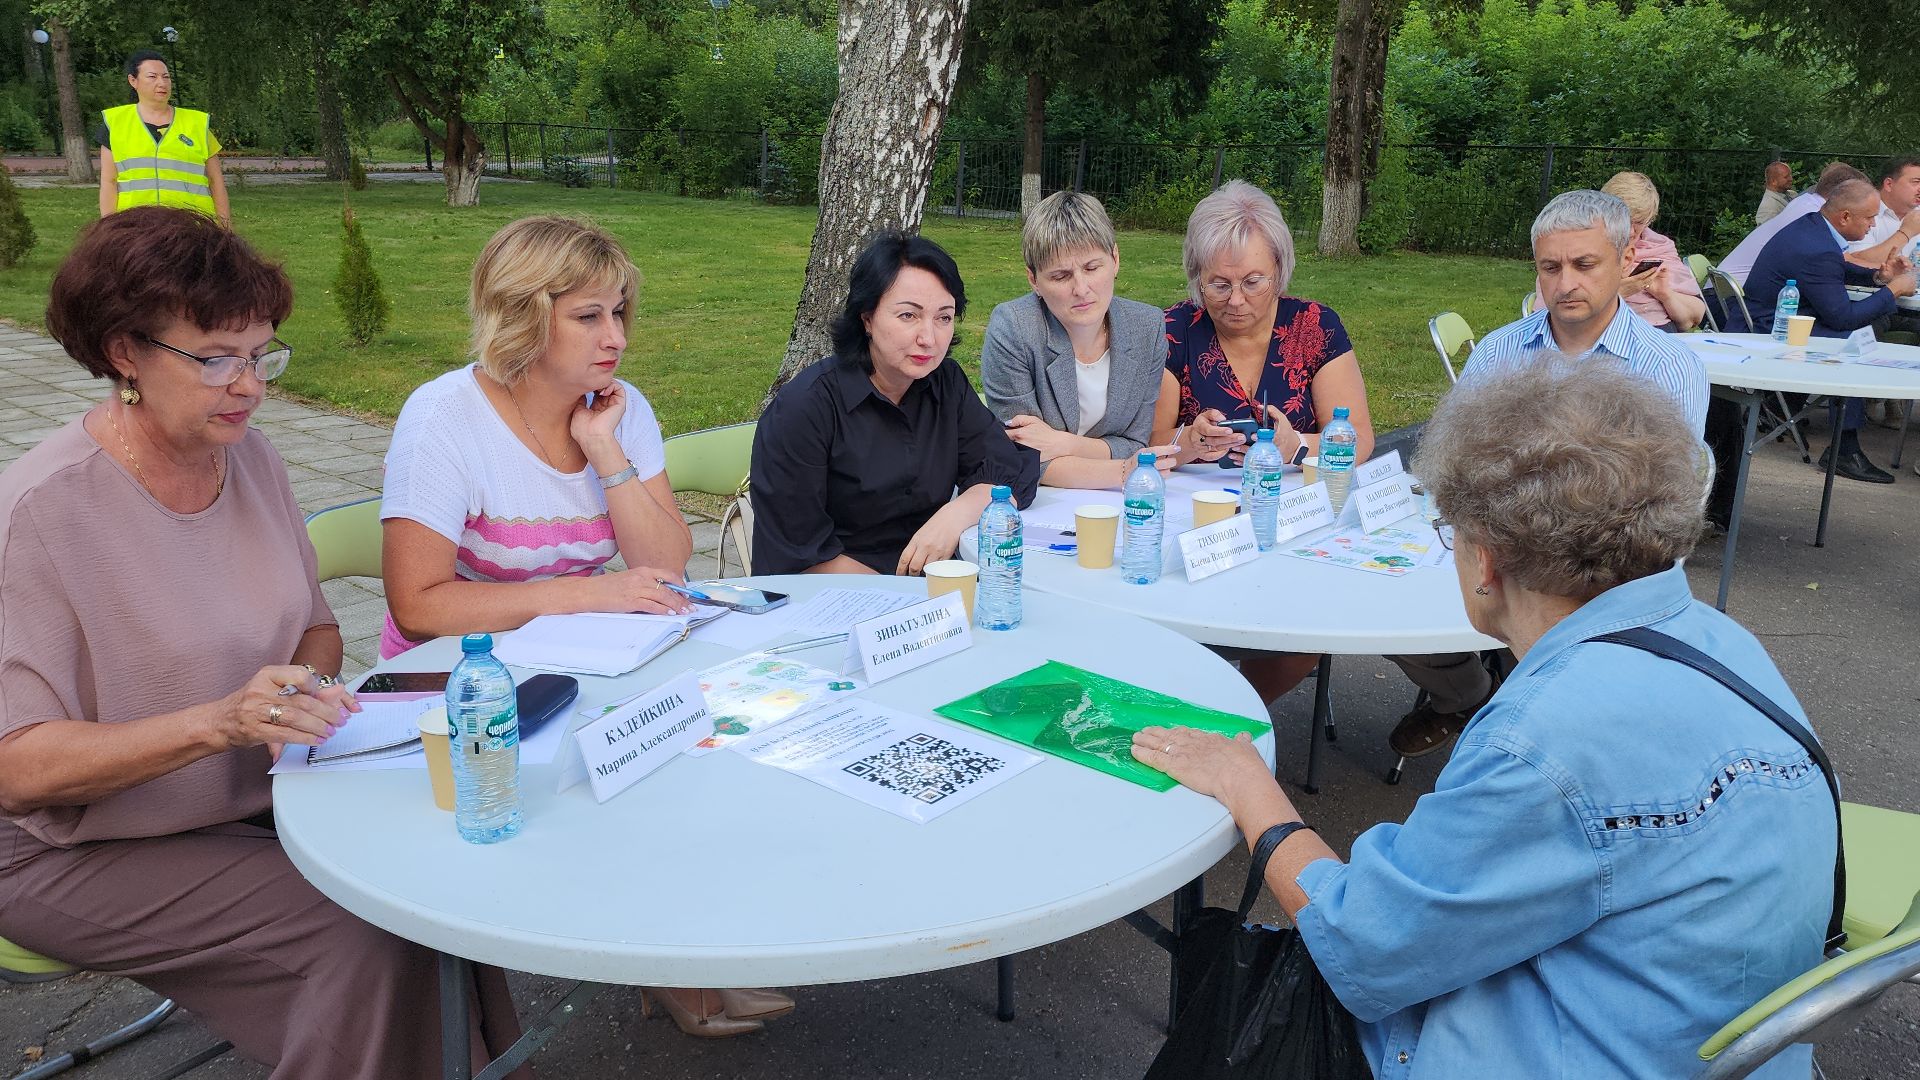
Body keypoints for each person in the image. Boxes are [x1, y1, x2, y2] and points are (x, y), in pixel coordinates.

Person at [1133, 359, 1835, 1080]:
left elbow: (1363, 945)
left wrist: (1248, 784)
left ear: (1487, 561)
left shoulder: (1541, 737)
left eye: (1451, 530)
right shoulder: (1726, 643)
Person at [0, 207, 529, 1078]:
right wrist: (221, 722)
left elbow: (317, 630)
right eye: (215, 358)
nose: (249, 384)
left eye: (261, 354)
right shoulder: (41, 515)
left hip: (255, 797)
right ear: (125, 351)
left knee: (431, 883)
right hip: (75, 849)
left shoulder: (252, 459)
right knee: (359, 932)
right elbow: (20, 770)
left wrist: (302, 693)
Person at [1389, 190, 1711, 757]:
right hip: (1498, 557)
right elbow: (1459, 473)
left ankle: (1512, 719)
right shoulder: (1498, 353)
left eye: (1584, 265)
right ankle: (1468, 694)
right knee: (1384, 596)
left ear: (1625, 260)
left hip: (1606, 571)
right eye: (1550, 267)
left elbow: (1666, 509)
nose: (1565, 284)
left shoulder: (1667, 366)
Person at [381, 216, 697, 657]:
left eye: (618, 312)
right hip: (456, 678)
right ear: (520, 317)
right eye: (589, 316)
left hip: (573, 656)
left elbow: (667, 566)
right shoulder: (444, 415)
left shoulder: (621, 409)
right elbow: (417, 609)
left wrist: (605, 450)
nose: (618, 338)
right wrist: (587, 595)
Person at [1159, 180, 1376, 705]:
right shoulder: (1173, 329)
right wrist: (1187, 442)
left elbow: (1358, 439)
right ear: (1196, 279)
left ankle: (1228, 714)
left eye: (1254, 281)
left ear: (1280, 269)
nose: (1236, 300)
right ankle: (1185, 695)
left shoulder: (1316, 326)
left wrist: (1297, 444)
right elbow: (1150, 442)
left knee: (1308, 627)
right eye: (1218, 284)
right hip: (1199, 521)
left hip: (1295, 517)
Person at [752, 231, 1042, 576]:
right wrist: (908, 602)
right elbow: (797, 555)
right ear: (867, 318)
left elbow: (1006, 472)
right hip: (835, 595)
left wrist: (956, 514)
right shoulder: (805, 408)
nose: (929, 338)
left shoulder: (945, 382)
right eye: (908, 316)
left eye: (944, 317)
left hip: (931, 583)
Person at [981, 190, 1179, 488]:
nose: (1081, 288)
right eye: (1060, 276)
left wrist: (1065, 444)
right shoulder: (1015, 328)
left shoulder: (1147, 327)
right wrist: (1124, 471)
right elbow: (1025, 453)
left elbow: (1136, 440)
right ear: (1033, 280)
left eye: (1091, 267)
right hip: (1039, 504)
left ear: (1115, 259)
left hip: (1120, 502)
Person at [1741, 178, 1917, 485]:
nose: (1873, 225)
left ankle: (1783, 409)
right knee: (1853, 345)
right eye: (1869, 218)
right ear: (1845, 217)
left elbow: (1836, 268)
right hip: (1771, 329)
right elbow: (1843, 317)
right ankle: (1843, 451)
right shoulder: (1818, 248)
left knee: (1860, 332)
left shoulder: (1814, 226)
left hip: (1770, 317)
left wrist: (1878, 275)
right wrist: (1892, 290)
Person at [96, 50, 229, 226]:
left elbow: (216, 180)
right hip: (135, 227)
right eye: (152, 76)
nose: (162, 83)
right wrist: (108, 228)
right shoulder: (115, 123)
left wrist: (225, 226)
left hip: (192, 228)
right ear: (133, 81)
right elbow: (108, 182)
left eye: (166, 77)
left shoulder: (197, 124)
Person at [1721, 163, 1875, 288]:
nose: (1873, 223)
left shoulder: (1806, 202)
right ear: (1841, 194)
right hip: (1736, 298)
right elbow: (1843, 263)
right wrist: (1888, 274)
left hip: (1730, 291)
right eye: (1861, 198)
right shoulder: (1814, 214)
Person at [1600, 171, 1705, 331]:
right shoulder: (1584, 248)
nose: (1630, 232)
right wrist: (1620, 292)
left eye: (1639, 222)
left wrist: (1664, 294)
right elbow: (1559, 316)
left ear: (1650, 219)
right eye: (1623, 220)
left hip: (1662, 336)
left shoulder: (1658, 247)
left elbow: (1694, 317)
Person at [1756, 160, 1796, 225]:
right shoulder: (1768, 209)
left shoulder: (1792, 194)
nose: (1791, 179)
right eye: (1786, 177)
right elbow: (1768, 233)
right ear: (1773, 181)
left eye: (1790, 175)